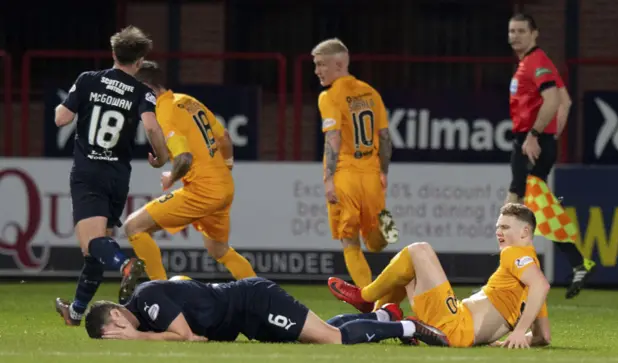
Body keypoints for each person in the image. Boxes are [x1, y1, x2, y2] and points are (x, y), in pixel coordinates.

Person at [54, 26, 170, 326]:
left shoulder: (88, 80)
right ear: (140, 60)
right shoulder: (141, 91)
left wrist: (67, 104)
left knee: (90, 244)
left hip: (88, 172)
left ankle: (125, 264)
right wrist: (162, 157)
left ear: (114, 52)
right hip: (118, 176)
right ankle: (76, 312)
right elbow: (153, 128)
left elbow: (61, 118)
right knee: (98, 248)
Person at [116, 61, 256, 303]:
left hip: (202, 191)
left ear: (146, 88)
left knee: (133, 227)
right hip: (223, 186)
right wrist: (226, 168)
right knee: (219, 250)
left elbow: (184, 158)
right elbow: (225, 138)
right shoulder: (187, 101)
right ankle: (261, 295)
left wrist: (171, 176)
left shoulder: (164, 112)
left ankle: (159, 296)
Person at [329, 203, 552, 349]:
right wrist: (504, 340)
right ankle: (383, 314)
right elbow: (544, 337)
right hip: (454, 324)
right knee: (407, 270)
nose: (499, 232)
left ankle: (366, 297)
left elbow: (542, 286)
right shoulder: (530, 283)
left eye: (505, 227)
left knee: (419, 250)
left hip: (453, 324)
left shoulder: (515, 254)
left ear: (525, 232)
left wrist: (520, 331)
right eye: (497, 227)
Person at [82, 277, 448, 346]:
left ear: (115, 318)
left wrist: (138, 337)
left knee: (332, 340)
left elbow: (189, 338)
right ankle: (384, 317)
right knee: (314, 336)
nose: (120, 338)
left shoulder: (145, 300)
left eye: (113, 334)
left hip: (254, 301)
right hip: (247, 320)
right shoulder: (148, 307)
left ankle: (408, 328)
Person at [507, 13, 595, 299]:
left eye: (521, 31)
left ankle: (512, 279)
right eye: (511, 31)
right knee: (533, 208)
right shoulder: (536, 62)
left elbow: (554, 100)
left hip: (528, 141)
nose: (515, 36)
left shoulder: (536, 62)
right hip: (534, 140)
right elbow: (565, 102)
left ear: (535, 34)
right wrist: (552, 135)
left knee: (514, 208)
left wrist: (536, 135)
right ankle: (576, 262)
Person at [311, 38, 403, 309]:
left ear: (339, 64)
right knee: (380, 240)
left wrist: (328, 179)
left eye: (321, 64)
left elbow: (334, 139)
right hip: (372, 173)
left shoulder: (329, 96)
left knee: (348, 239)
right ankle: (390, 234)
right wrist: (384, 171)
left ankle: (370, 299)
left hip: (346, 174)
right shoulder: (371, 92)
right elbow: (385, 138)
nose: (317, 71)